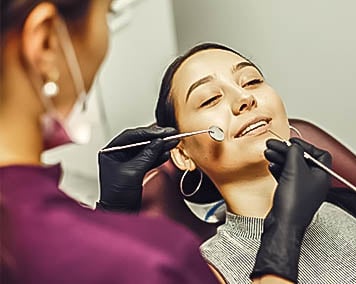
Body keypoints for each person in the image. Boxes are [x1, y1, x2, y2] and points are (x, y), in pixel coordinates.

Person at [0, 1, 219, 283]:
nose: (245, 101)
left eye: (251, 81)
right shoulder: (156, 263)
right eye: (107, 14)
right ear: (46, 41)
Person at [151, 42, 356, 283]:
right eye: (210, 99)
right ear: (183, 155)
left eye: (251, 81)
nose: (244, 98)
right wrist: (284, 231)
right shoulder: (207, 271)